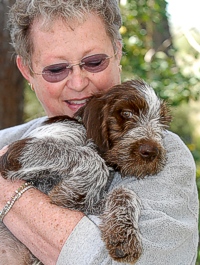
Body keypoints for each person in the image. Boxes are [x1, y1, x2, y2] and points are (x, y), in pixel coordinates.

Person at [0, 0, 198, 264]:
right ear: (27, 72)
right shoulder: (9, 138)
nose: (79, 83)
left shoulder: (166, 157)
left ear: (117, 53)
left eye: (94, 62)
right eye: (56, 69)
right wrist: (91, 166)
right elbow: (15, 161)